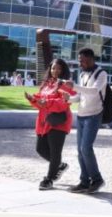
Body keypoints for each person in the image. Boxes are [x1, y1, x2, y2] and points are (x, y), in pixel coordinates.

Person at [25, 58, 75, 190]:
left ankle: (49, 179)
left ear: (63, 70)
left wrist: (46, 103)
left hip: (58, 121)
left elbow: (63, 103)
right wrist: (33, 99)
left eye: (59, 68)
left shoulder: (66, 85)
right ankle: (59, 165)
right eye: (53, 68)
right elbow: (40, 102)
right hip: (44, 121)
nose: (56, 71)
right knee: (40, 148)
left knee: (55, 152)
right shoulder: (46, 84)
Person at [68, 47, 108, 193]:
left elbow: (93, 92)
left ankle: (97, 179)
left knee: (86, 148)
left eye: (84, 61)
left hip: (94, 115)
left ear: (92, 59)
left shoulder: (101, 74)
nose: (81, 64)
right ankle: (84, 181)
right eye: (80, 61)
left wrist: (74, 86)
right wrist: (68, 99)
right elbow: (81, 96)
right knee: (80, 150)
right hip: (81, 116)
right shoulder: (83, 74)